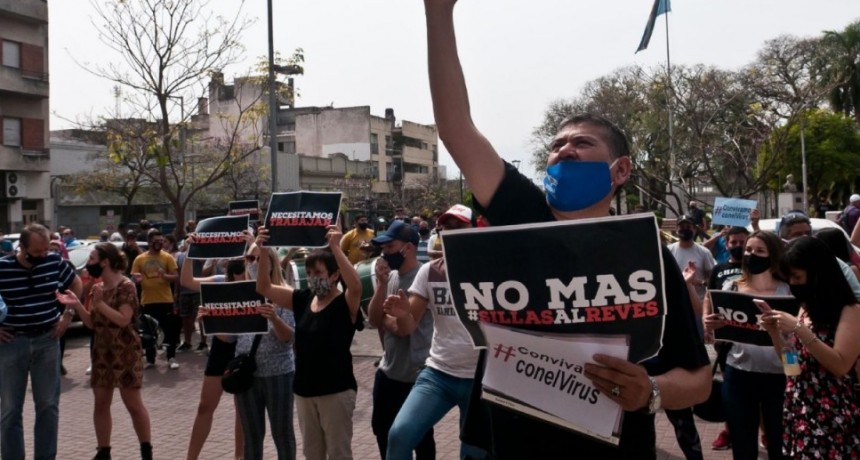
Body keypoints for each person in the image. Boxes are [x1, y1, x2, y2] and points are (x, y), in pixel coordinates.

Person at [420, 2, 711, 457]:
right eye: (556, 145)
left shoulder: (645, 254)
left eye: (582, 143)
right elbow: (456, 129)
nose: (564, 150)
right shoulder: (522, 214)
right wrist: (438, 13)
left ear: (620, 171)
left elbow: (698, 379)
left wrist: (651, 392)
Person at [381, 206, 484, 460]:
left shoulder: (491, 271)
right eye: (445, 228)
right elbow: (408, 327)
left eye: (459, 227)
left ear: (477, 229)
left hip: (482, 380)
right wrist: (403, 314)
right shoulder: (430, 271)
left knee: (473, 453)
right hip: (439, 374)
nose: (451, 233)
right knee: (399, 435)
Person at [254, 225, 361, 460]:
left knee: (338, 453)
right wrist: (263, 251)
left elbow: (356, 286)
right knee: (312, 453)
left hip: (336, 390)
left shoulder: (344, 303)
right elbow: (263, 287)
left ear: (334, 275)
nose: (313, 277)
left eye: (319, 272)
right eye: (309, 272)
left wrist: (335, 247)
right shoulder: (303, 299)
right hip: (304, 390)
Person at [759, 236, 860, 458]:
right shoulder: (805, 309)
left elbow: (841, 365)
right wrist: (775, 333)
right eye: (790, 278)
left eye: (797, 277)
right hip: (800, 411)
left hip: (833, 417)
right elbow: (792, 367)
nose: (793, 284)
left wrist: (799, 329)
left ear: (817, 274)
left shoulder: (851, 311)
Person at [56, 243, 153, 460]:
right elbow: (92, 324)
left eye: (92, 259)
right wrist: (77, 305)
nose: (88, 264)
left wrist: (100, 305)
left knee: (133, 404)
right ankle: (104, 451)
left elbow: (123, 319)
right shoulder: (97, 288)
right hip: (101, 351)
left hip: (125, 351)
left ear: (105, 262)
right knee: (100, 403)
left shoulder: (126, 286)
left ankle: (146, 451)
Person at [703, 231, 789, 460]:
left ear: (773, 255)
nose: (751, 255)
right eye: (749, 250)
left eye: (760, 251)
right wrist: (711, 325)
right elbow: (715, 321)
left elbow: (797, 341)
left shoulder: (788, 291)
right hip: (739, 374)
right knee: (742, 444)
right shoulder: (732, 286)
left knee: (780, 443)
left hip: (780, 377)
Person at [0, 223, 82, 460]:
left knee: (48, 405)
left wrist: (68, 314)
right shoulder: (3, 267)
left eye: (46, 249)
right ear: (22, 247)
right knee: (10, 408)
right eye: (37, 252)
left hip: (47, 339)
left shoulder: (54, 262)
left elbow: (76, 283)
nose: (43, 255)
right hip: (11, 342)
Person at [367, 221, 435, 459]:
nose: (385, 253)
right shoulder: (391, 277)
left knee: (420, 438)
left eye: (390, 247)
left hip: (415, 376)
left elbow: (402, 328)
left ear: (409, 248)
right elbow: (373, 319)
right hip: (389, 371)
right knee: (381, 429)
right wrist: (381, 286)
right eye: (383, 248)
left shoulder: (423, 278)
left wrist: (386, 318)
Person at [181, 241, 251, 460]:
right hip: (221, 349)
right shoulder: (220, 281)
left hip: (244, 350)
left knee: (242, 411)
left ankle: (239, 456)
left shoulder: (257, 285)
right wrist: (191, 251)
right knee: (205, 406)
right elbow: (187, 281)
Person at [235, 246, 297, 460]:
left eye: (260, 258)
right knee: (251, 437)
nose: (254, 263)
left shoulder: (284, 293)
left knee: (282, 434)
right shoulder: (239, 294)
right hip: (248, 375)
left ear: (272, 262)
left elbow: (289, 338)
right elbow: (229, 338)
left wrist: (274, 318)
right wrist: (212, 319)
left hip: (277, 374)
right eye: (250, 258)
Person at [703, 226, 749, 451]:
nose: (738, 246)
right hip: (725, 340)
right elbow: (708, 297)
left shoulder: (757, 268)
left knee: (756, 391)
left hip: (752, 338)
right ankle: (729, 431)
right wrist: (706, 321)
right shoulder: (718, 269)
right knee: (731, 390)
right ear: (727, 244)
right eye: (734, 242)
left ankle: (765, 432)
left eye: (743, 242)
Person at [131, 229, 181, 370]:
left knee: (169, 330)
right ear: (149, 242)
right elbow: (134, 277)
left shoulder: (167, 257)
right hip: (147, 301)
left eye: (161, 241)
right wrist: (137, 279)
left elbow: (176, 276)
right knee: (148, 332)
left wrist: (164, 276)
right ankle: (150, 359)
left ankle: (171, 357)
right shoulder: (140, 259)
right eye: (156, 241)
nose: (159, 244)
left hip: (165, 300)